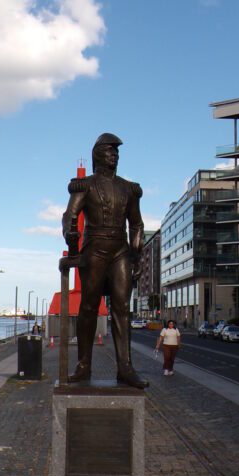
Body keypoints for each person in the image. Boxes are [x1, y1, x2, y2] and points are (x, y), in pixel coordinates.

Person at [61, 133, 147, 388]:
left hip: (120, 251)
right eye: (110, 151)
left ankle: (125, 368)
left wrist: (136, 255)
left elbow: (137, 224)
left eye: (117, 152)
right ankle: (83, 366)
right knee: (88, 307)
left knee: (122, 308)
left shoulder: (128, 188)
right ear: (98, 154)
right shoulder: (84, 185)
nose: (115, 156)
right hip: (94, 249)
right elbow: (69, 216)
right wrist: (71, 239)